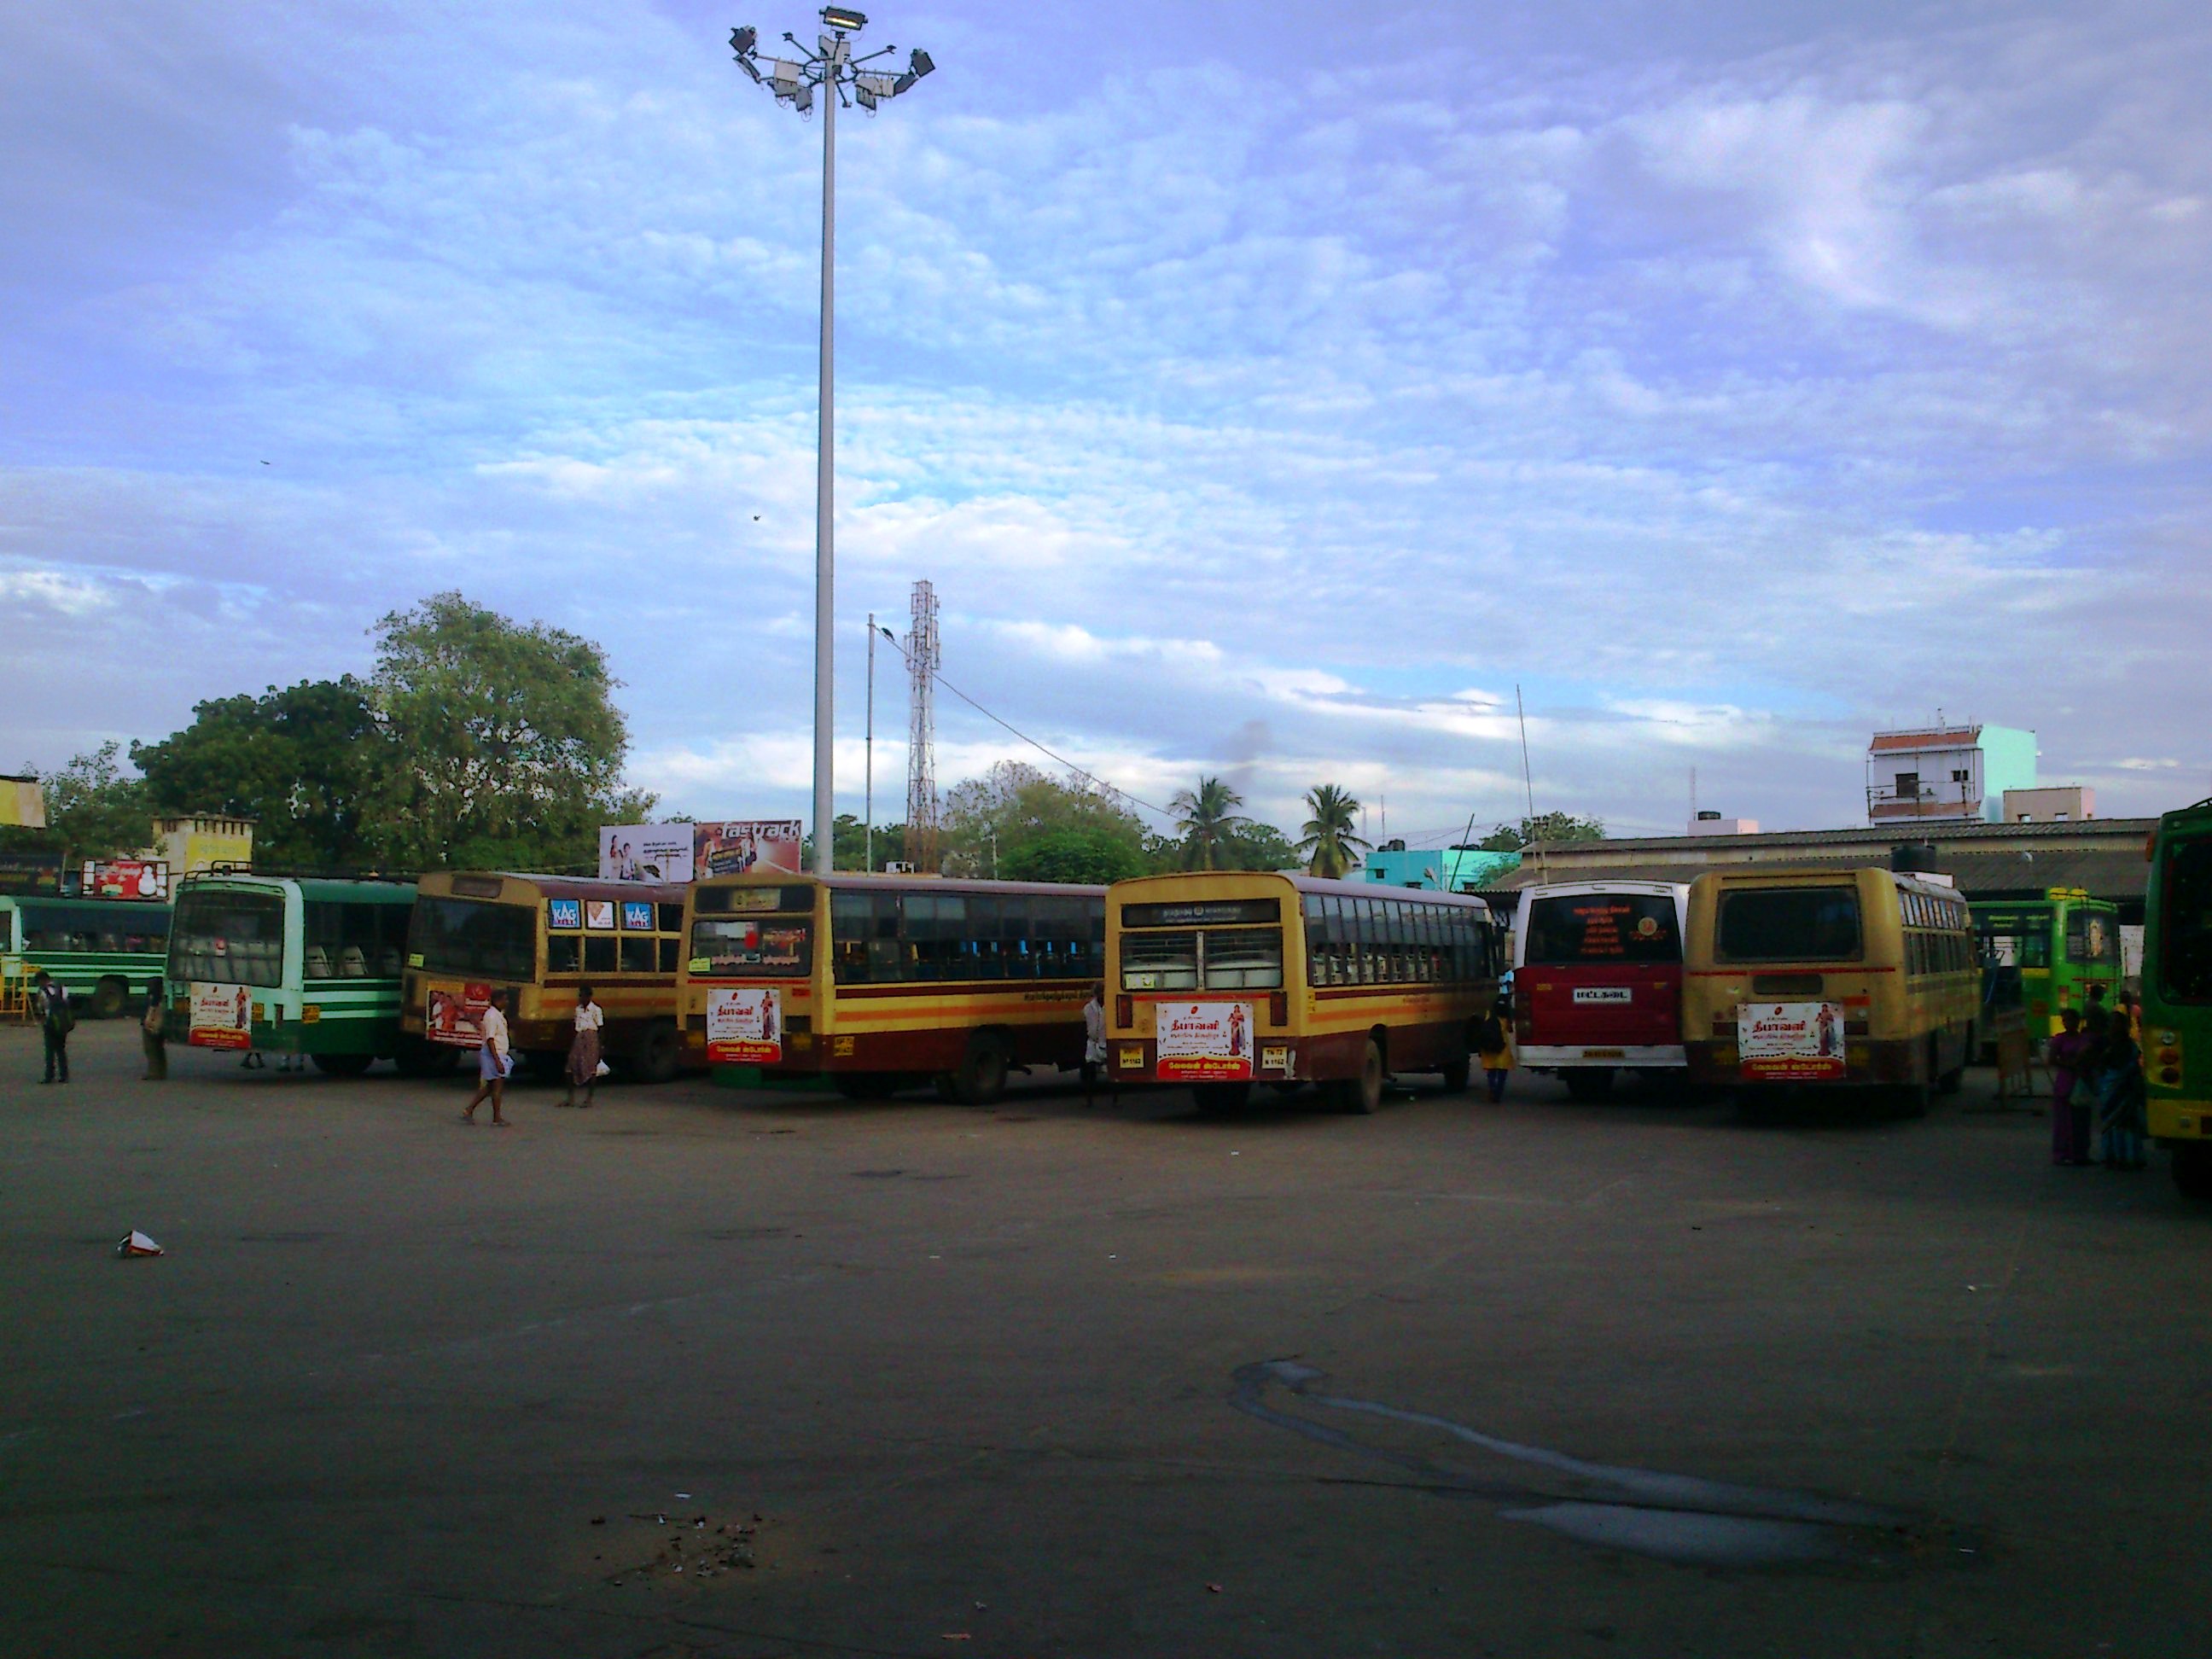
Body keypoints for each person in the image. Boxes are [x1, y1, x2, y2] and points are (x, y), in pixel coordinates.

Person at [2094, 1013, 2147, 1172]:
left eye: (2119, 1023)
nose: (2115, 1026)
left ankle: (2129, 1157)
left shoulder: (2129, 1045)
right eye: (2113, 1023)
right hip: (2109, 1088)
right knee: (2111, 1122)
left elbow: (2136, 1065)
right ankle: (2112, 1156)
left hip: (2126, 1089)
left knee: (2127, 1124)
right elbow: (2097, 1063)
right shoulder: (2104, 1043)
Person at [2045, 1008, 2090, 1166]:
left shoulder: (2084, 1039)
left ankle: (2078, 1152)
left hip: (2078, 1080)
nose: (2067, 1023)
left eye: (2070, 1020)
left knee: (2080, 1120)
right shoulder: (2059, 1040)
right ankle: (2062, 1152)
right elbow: (2052, 1059)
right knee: (2063, 1121)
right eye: (2065, 1020)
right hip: (2065, 1081)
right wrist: (2069, 1064)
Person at [463, 988, 514, 1126]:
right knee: (497, 1087)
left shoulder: (498, 1014)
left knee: (490, 1087)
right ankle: (497, 1118)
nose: (507, 1002)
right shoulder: (491, 1016)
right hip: (494, 1053)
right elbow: (490, 1039)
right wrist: (497, 1061)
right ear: (498, 1000)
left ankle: (469, 1110)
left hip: (498, 1052)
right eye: (505, 999)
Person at [564, 984, 603, 1109]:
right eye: (580, 995)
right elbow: (575, 1026)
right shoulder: (578, 1009)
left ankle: (589, 1099)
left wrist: (600, 1047)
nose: (580, 998)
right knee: (570, 1067)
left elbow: (600, 1028)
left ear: (589, 997)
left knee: (591, 1069)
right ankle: (570, 1098)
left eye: (583, 996)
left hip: (591, 1038)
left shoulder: (596, 1010)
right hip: (579, 1038)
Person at [34, 972, 73, 1085]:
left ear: (42, 980)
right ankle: (64, 1075)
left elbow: (40, 1008)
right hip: (63, 1023)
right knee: (61, 1050)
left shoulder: (42, 992)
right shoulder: (62, 988)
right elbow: (67, 1003)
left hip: (50, 1023)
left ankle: (49, 1076)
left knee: (50, 1051)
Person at [1474, 1000, 1511, 1103]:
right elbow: (1510, 1029)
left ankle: (1492, 1089)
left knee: (1491, 1071)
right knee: (1502, 1072)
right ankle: (1498, 1092)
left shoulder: (1489, 1014)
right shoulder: (1506, 1017)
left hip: (1489, 1047)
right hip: (1502, 1047)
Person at [1081, 981, 1108, 1106]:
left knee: (1112, 1074)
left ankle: (1114, 1098)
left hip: (1106, 1042)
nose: (1102, 994)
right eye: (1100, 992)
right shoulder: (1088, 1008)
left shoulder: (1110, 1006)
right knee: (1090, 1072)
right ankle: (1089, 1099)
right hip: (1093, 1042)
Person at [141, 977, 168, 1081]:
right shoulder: (164, 996)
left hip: (153, 1023)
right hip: (160, 1023)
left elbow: (152, 1007)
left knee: (151, 1048)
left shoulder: (154, 998)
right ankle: (161, 1071)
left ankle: (154, 1072)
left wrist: (148, 1019)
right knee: (159, 1049)